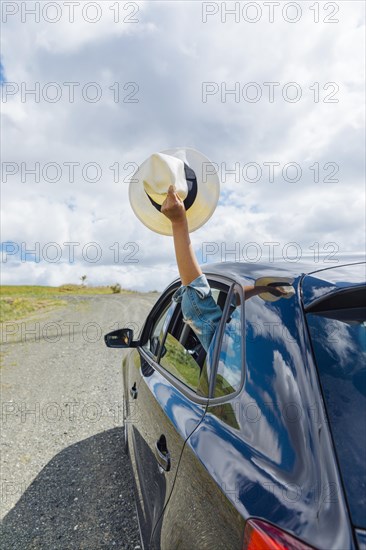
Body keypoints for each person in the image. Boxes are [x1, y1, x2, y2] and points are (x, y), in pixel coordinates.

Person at [160, 185, 288, 352]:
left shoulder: (229, 351)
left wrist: (178, 222)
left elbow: (195, 300)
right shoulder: (274, 354)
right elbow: (231, 301)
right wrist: (263, 288)